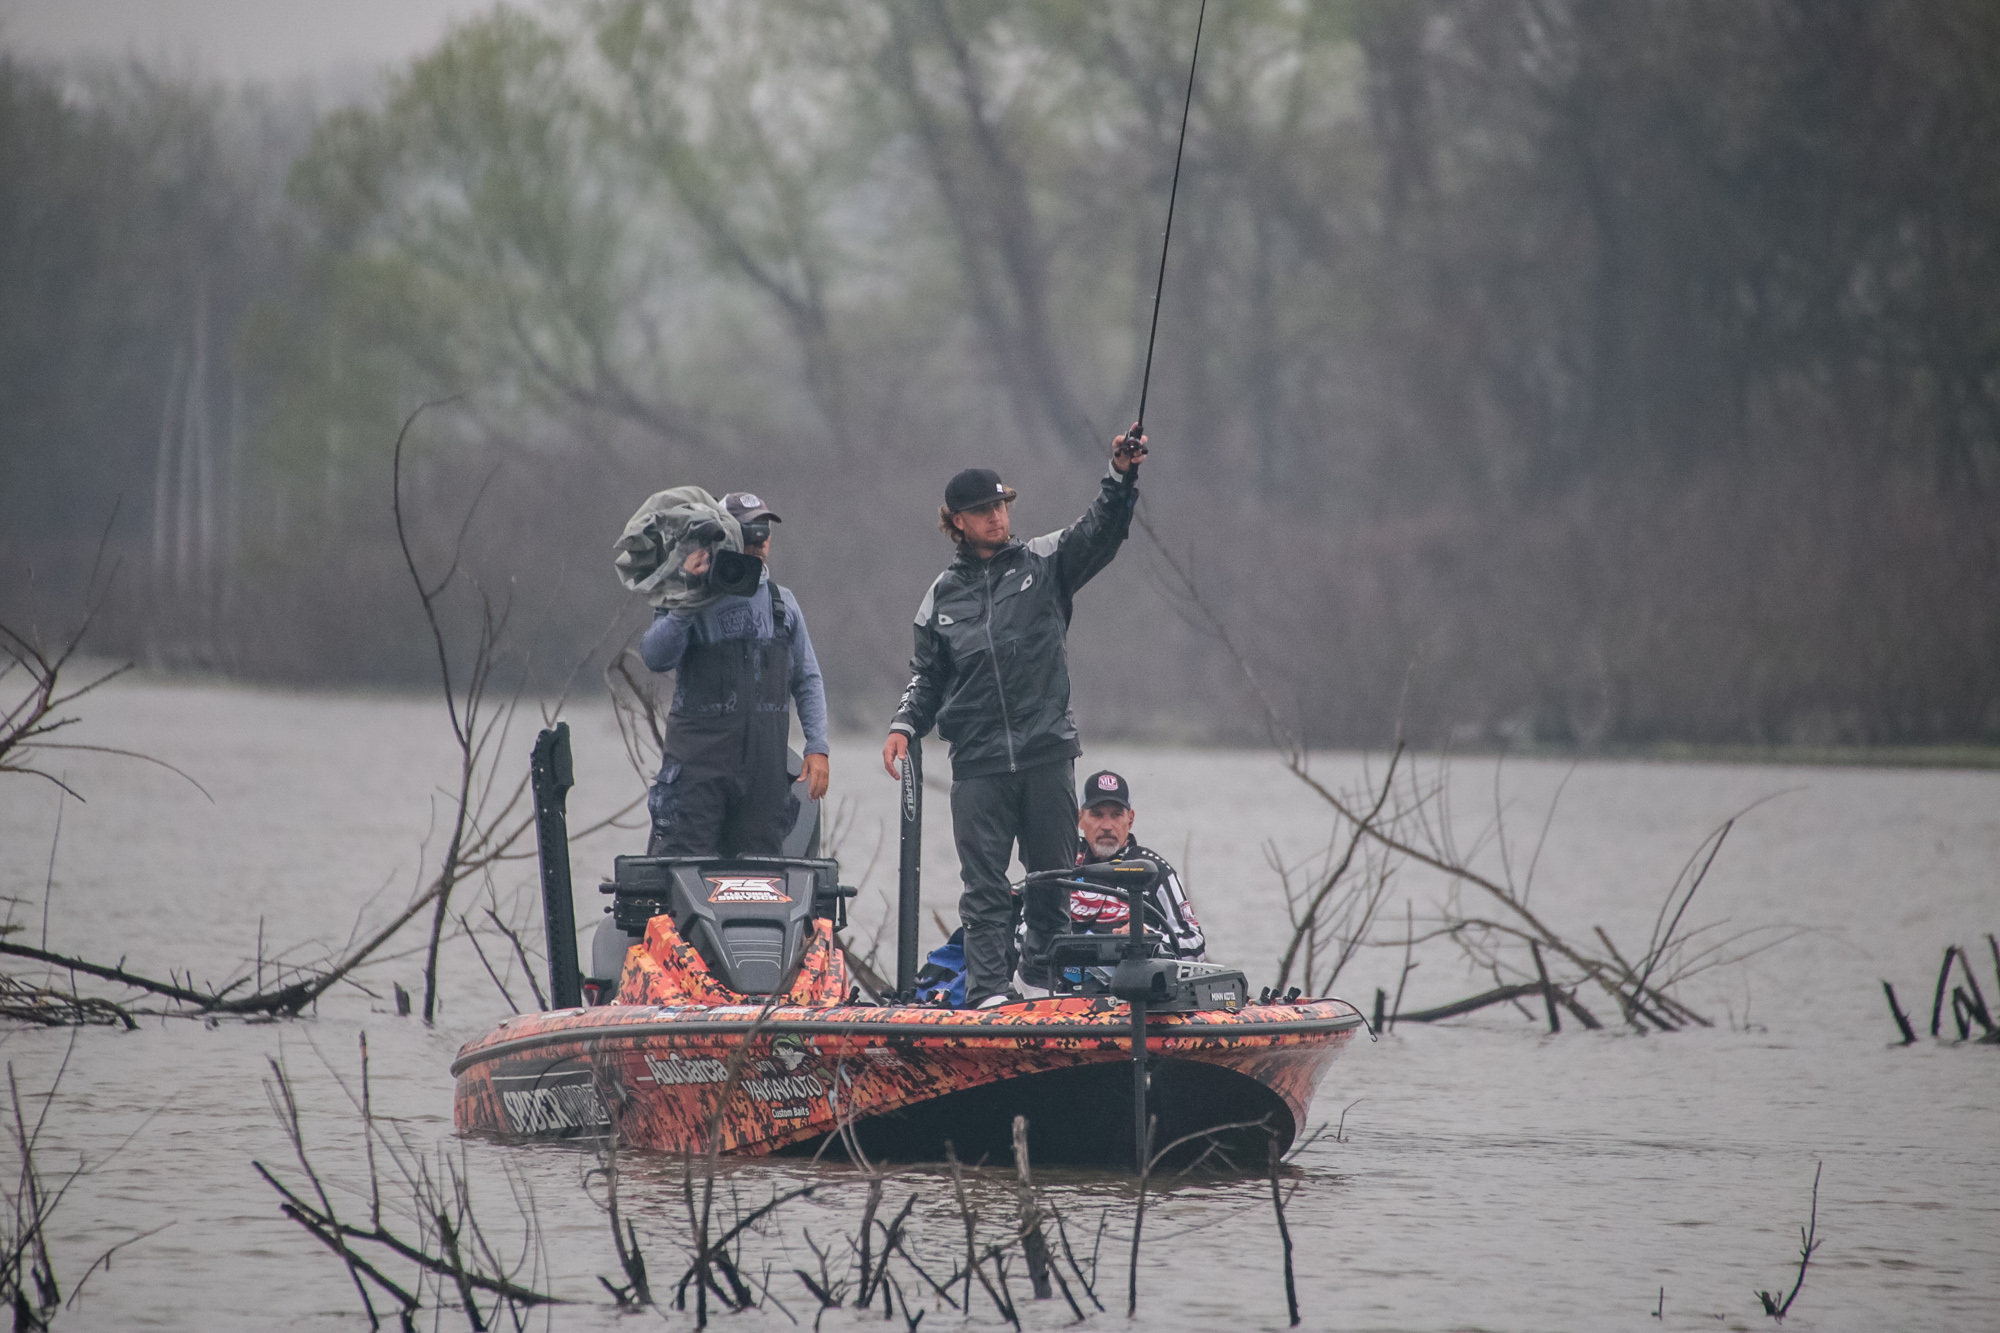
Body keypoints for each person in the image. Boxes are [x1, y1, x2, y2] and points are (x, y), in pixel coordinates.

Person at [881, 426, 1149, 1007]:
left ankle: (1040, 979)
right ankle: (987, 991)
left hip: (1047, 751)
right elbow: (926, 678)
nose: (997, 517)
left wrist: (1121, 474)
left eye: (1001, 505)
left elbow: (1102, 531)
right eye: (982, 511)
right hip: (976, 765)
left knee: (1053, 878)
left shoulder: (1045, 562)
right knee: (984, 888)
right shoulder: (938, 599)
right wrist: (904, 724)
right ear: (956, 521)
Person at [642, 490, 830, 856]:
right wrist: (689, 599)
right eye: (746, 533)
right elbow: (655, 656)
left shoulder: (783, 603)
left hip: (764, 775)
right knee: (684, 874)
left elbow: (808, 679)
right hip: (697, 771)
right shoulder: (687, 593)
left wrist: (817, 747)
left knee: (760, 883)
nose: (757, 543)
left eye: (763, 532)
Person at [1063, 770, 1205, 960]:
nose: (1107, 826)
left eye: (1116, 815)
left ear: (1130, 819)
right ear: (1080, 818)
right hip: (1058, 983)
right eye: (1097, 815)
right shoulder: (1062, 863)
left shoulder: (1155, 870)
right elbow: (1026, 929)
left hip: (1128, 984)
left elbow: (1196, 944)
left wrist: (1149, 939)